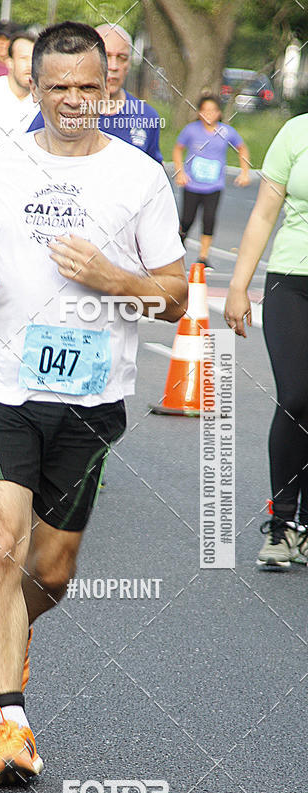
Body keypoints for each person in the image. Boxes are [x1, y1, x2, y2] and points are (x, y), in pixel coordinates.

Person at [0, 21, 187, 785]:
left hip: (91, 395)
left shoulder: (140, 178)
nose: (74, 101)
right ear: (33, 88)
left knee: (54, 571)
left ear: (110, 86)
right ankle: (10, 720)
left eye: (88, 86)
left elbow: (171, 300)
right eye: (57, 87)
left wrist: (117, 280)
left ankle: (11, 632)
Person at [225, 114, 308, 570]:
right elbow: (263, 212)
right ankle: (282, 524)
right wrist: (239, 284)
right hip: (291, 280)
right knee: (296, 396)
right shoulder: (296, 132)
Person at [27, 23, 163, 163]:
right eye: (107, 56)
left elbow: (154, 166)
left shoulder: (145, 115)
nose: (113, 66)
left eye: (121, 57)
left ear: (129, 63)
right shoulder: (55, 113)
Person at [173, 94, 250, 269]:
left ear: (219, 113)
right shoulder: (191, 130)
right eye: (205, 110)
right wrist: (180, 172)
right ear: (199, 112)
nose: (209, 114)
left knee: (209, 219)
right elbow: (178, 149)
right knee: (187, 219)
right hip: (192, 184)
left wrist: (245, 172)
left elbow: (242, 148)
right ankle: (177, 251)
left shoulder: (225, 131)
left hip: (214, 185)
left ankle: (203, 257)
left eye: (213, 110)